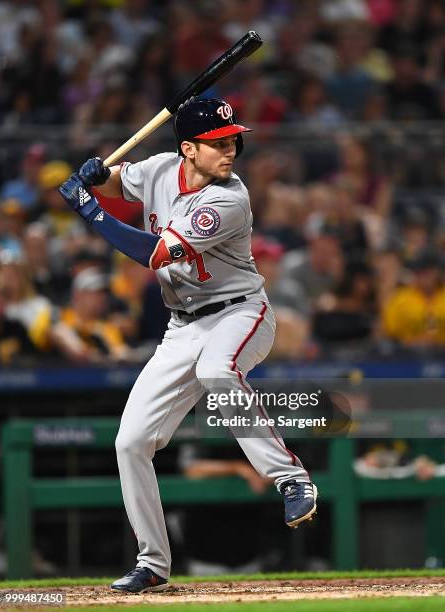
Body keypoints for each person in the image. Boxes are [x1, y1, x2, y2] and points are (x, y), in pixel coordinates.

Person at [58, 97, 317, 593]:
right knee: (130, 442)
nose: (230, 150)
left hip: (239, 311)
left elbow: (154, 254)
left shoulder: (230, 199)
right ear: (187, 149)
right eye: (218, 143)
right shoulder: (159, 169)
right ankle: (153, 561)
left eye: (232, 140)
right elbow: (118, 181)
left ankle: (290, 477)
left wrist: (89, 210)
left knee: (219, 372)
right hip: (182, 327)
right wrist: (97, 175)